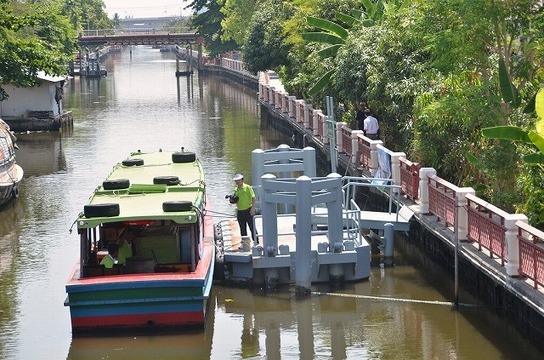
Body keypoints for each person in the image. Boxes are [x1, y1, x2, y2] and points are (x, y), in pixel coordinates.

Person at [232, 173, 257, 245]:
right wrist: (233, 200)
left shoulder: (247, 187)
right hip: (240, 211)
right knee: (242, 229)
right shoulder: (236, 189)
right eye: (236, 181)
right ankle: (245, 244)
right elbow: (236, 200)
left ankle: (256, 242)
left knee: (252, 227)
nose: (237, 182)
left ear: (242, 180)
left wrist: (252, 208)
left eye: (238, 180)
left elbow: (253, 198)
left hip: (248, 210)